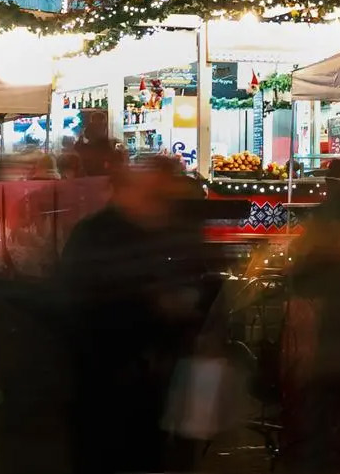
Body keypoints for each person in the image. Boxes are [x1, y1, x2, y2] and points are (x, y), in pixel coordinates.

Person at [58, 153, 220, 472]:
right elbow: (86, 301)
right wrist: (158, 304)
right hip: (113, 373)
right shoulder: (101, 234)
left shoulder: (163, 230)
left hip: (146, 374)